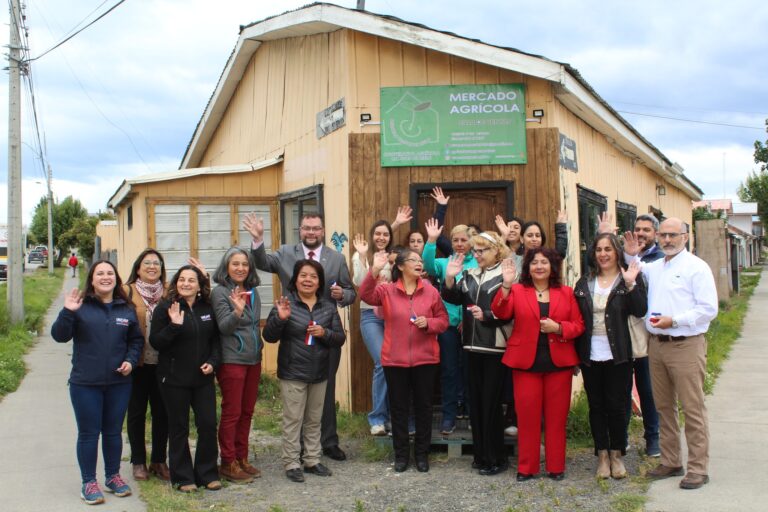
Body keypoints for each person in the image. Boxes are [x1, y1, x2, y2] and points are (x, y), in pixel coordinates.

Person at [243, 212, 355, 461]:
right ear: (300, 230)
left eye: (316, 228)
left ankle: (328, 441)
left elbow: (350, 292)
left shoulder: (336, 258)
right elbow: (262, 263)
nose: (311, 232)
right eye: (306, 228)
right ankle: (299, 447)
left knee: (325, 390)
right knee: (298, 392)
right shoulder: (285, 252)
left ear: (322, 231)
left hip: (326, 332)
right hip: (295, 332)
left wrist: (342, 295)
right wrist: (258, 240)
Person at [623, 217, 718, 490]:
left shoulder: (696, 267)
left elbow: (708, 309)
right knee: (664, 407)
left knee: (692, 408)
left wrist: (674, 321)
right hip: (657, 345)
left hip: (685, 344)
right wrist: (630, 253)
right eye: (663, 235)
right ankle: (671, 460)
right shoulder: (657, 267)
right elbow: (635, 268)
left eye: (672, 235)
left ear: (685, 237)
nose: (666, 239)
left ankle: (698, 469)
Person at [51, 260, 143, 505]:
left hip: (119, 383)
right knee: (89, 433)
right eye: (100, 273)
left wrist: (131, 361)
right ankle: (89, 482)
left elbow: (136, 341)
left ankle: (113, 477)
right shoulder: (80, 305)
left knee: (113, 432)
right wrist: (68, 312)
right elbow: (59, 336)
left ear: (116, 278)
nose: (105, 277)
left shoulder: (126, 308)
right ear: (92, 279)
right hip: (85, 384)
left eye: (110, 273)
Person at [491, 248, 585, 481]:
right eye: (534, 263)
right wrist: (506, 284)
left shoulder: (566, 292)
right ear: (528, 268)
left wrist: (559, 328)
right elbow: (500, 312)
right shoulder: (516, 290)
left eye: (544, 262)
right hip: (526, 364)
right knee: (527, 419)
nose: (539, 266)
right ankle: (527, 468)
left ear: (552, 267)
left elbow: (579, 325)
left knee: (556, 419)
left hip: (559, 364)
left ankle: (556, 466)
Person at [360, 249, 448, 473]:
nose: (419, 264)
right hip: (394, 360)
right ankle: (401, 456)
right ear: (400, 266)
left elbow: (443, 320)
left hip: (425, 359)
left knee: (424, 408)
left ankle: (421, 454)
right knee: (398, 409)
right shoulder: (387, 290)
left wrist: (429, 323)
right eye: (413, 260)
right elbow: (365, 295)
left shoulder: (430, 291)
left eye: (420, 261)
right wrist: (374, 270)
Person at [263, 260, 346, 482]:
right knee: (293, 419)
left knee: (314, 419)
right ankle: (291, 463)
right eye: (303, 275)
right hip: (293, 371)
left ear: (320, 282)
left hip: (320, 371)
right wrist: (280, 319)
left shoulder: (328, 307)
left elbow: (340, 338)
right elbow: (269, 336)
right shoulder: (285, 303)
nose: (308, 280)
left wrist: (325, 333)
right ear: (295, 279)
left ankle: (312, 460)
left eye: (313, 276)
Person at [574, 234, 646, 479]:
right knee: (597, 406)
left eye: (608, 249)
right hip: (590, 353)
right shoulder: (584, 282)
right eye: (599, 249)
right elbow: (577, 317)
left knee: (617, 406)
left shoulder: (628, 277)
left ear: (617, 252)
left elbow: (641, 309)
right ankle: (602, 455)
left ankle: (617, 454)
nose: (603, 254)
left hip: (619, 353)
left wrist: (631, 284)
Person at [442, 232, 512, 475]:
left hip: (495, 348)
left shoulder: (506, 275)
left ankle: (497, 458)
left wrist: (488, 316)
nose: (477, 254)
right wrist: (449, 278)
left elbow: (512, 311)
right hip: (471, 347)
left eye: (482, 250)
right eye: (476, 250)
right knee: (477, 404)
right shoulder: (469, 274)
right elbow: (452, 298)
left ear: (496, 251)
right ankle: (481, 456)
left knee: (491, 404)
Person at [150, 265, 222, 492]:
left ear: (200, 286)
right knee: (179, 427)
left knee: (208, 425)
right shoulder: (165, 307)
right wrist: (173, 326)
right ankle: (182, 477)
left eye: (191, 280)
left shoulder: (207, 308)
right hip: (173, 379)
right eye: (182, 279)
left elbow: (216, 341)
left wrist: (213, 362)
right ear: (176, 283)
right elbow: (156, 342)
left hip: (202, 378)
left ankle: (207, 474)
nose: (186, 284)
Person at [596, 211, 662, 457]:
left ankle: (653, 437)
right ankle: (620, 438)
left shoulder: (659, 258)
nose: (641, 233)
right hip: (617, 333)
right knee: (621, 391)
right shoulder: (622, 253)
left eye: (646, 229)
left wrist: (633, 257)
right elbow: (602, 260)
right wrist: (604, 235)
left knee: (647, 389)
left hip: (643, 332)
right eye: (638, 229)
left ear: (655, 233)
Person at [211, 247, 263, 483]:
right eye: (235, 264)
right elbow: (224, 327)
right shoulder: (220, 292)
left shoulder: (253, 291)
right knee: (232, 412)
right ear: (226, 266)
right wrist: (237, 312)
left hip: (253, 359)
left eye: (245, 264)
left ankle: (242, 458)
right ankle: (228, 462)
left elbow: (255, 325)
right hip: (232, 359)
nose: (240, 268)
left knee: (247, 411)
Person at [424, 220, 476, 435]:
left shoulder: (478, 263)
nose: (459, 244)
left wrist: (469, 317)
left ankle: (473, 414)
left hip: (472, 326)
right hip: (448, 326)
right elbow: (427, 266)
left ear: (471, 242)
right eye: (455, 240)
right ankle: (448, 416)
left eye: (464, 240)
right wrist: (431, 241)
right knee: (449, 370)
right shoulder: (444, 262)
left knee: (471, 371)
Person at [124, 249, 171, 482]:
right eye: (147, 263)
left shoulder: (170, 292)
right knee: (136, 413)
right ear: (138, 267)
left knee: (163, 412)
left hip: (163, 363)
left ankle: (159, 460)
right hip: (137, 363)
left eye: (156, 263)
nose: (152, 266)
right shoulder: (126, 291)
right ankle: (138, 461)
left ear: (162, 269)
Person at [351, 222, 394, 436]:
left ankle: (392, 417)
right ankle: (377, 419)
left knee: (394, 365)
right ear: (372, 235)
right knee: (382, 362)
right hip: (370, 316)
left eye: (385, 234)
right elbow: (360, 282)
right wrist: (363, 257)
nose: (381, 237)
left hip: (393, 316)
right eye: (377, 233)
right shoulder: (362, 255)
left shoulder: (394, 257)